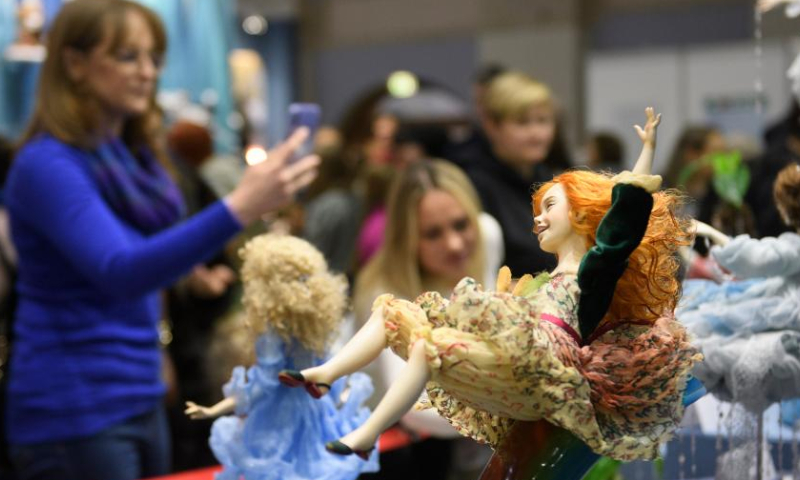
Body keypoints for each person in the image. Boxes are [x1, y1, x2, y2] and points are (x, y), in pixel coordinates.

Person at [2, 2, 318, 479]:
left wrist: (177, 305)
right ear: (74, 63)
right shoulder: (47, 164)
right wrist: (240, 205)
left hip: (139, 391)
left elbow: (140, 258)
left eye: (153, 58)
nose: (148, 72)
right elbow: (122, 270)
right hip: (75, 409)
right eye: (128, 56)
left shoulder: (130, 159)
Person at [279, 108, 700, 462]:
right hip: (507, 369)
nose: (537, 219)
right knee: (391, 311)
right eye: (536, 209)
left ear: (582, 216)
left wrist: (644, 157)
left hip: (543, 367)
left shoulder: (589, 274)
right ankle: (325, 374)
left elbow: (621, 226)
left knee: (430, 344)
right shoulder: (540, 279)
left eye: (548, 207)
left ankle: (366, 435)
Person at [352, 160, 502, 479]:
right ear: (407, 240)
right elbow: (413, 407)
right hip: (401, 451)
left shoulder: (487, 234)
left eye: (461, 224)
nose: (454, 243)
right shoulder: (388, 294)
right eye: (433, 234)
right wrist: (508, 402)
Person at [184, 234, 379, 480]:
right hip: (317, 416)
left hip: (281, 423)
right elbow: (331, 376)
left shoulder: (274, 337)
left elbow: (259, 387)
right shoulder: (315, 330)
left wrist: (214, 409)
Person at [456, 71, 572, 277]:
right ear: (492, 126)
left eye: (543, 120)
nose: (536, 133)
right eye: (523, 122)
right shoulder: (473, 184)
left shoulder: (552, 180)